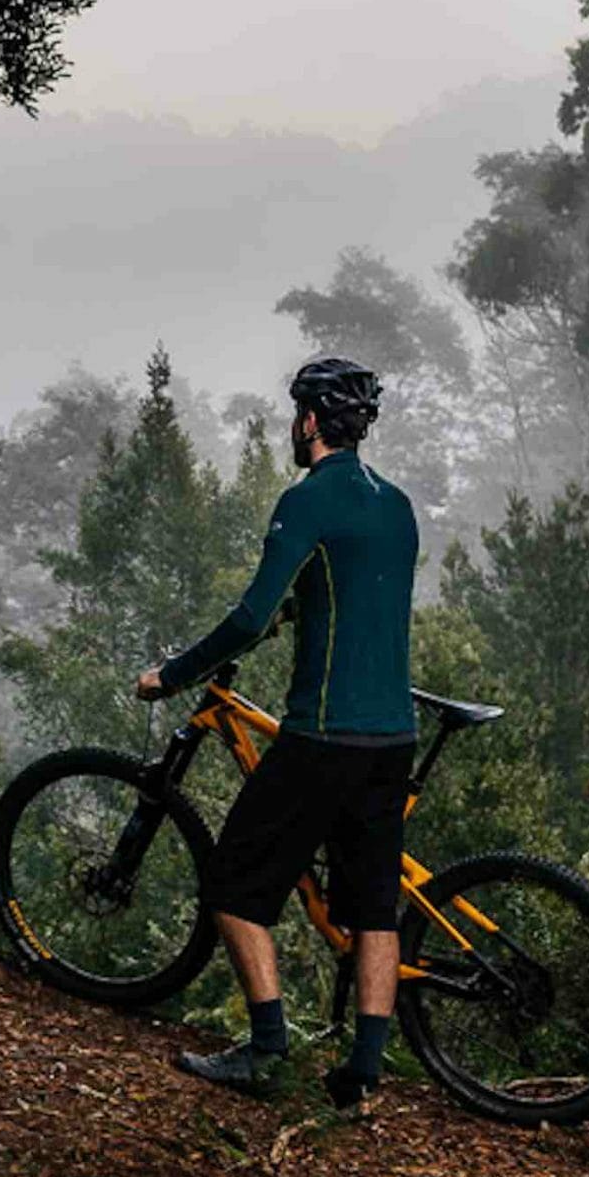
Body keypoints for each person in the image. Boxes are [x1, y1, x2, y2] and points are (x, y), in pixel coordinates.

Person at [136, 354, 419, 1112]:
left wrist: (175, 673)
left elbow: (250, 614)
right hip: (393, 737)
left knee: (234, 885)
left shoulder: (305, 501)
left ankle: (265, 1047)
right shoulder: (396, 506)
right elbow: (350, 595)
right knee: (372, 908)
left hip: (324, 738)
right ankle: (360, 1076)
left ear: (306, 422)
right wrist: (300, 613)